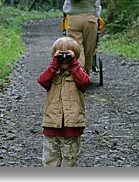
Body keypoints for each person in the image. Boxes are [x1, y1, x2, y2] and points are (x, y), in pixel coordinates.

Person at [37, 37, 90, 167]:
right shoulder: (52, 74)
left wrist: (73, 64)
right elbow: (42, 81)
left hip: (72, 126)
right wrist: (54, 64)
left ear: (75, 57)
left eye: (68, 55)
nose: (64, 58)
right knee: (50, 161)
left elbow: (84, 82)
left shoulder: (78, 73)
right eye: (60, 55)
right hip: (51, 125)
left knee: (70, 161)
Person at [64, 0, 101, 75]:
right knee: (89, 48)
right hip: (90, 20)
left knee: (76, 47)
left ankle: (78, 72)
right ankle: (86, 73)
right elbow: (97, 7)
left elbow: (66, 8)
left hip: (74, 20)